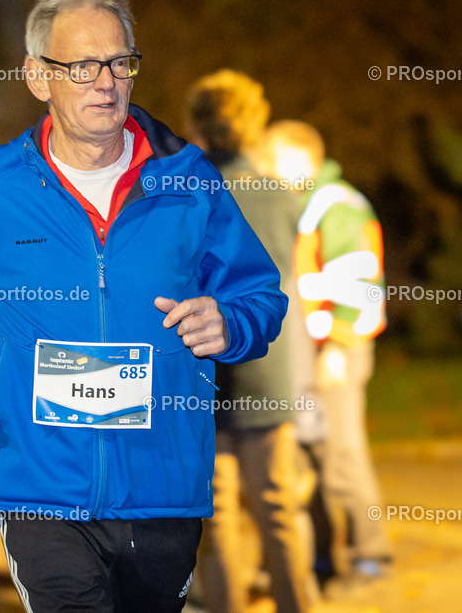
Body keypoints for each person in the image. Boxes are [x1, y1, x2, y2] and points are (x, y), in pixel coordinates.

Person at [0, 0, 288, 612]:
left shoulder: (187, 181)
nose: (106, 82)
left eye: (119, 62)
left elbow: (261, 292)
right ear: (37, 77)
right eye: (81, 66)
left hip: (162, 486)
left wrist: (231, 321)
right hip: (38, 484)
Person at [186, 70, 318, 612]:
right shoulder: (284, 199)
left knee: (216, 521)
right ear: (254, 127)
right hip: (268, 373)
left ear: (197, 127)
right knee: (277, 510)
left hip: (202, 378)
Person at [264, 120, 392, 582]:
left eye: (273, 162)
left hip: (338, 350)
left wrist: (337, 345)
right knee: (314, 457)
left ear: (300, 160)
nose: (266, 172)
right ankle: (327, 559)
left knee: (341, 457)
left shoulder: (334, 205)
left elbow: (358, 277)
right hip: (316, 351)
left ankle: (370, 556)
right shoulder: (311, 203)